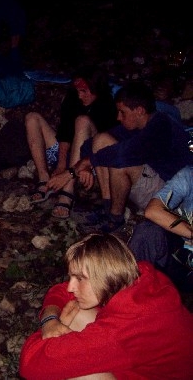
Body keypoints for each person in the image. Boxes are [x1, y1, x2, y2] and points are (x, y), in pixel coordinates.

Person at [19, 232, 193, 380]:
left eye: (80, 278)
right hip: (148, 366)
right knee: (76, 309)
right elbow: (61, 291)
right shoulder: (138, 276)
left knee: (82, 374)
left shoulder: (121, 330)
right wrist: (50, 319)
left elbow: (30, 364)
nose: (71, 287)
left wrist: (56, 328)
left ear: (105, 276)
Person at [71, 81, 193, 233]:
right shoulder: (137, 124)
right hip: (155, 183)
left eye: (122, 112)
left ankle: (115, 219)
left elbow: (125, 155)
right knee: (101, 139)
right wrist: (85, 164)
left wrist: (89, 162)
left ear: (139, 110)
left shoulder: (162, 125)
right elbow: (90, 144)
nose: (118, 117)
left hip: (173, 199)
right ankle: (108, 207)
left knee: (120, 162)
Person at [25, 66, 117, 219]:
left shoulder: (109, 106)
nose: (80, 95)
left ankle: (67, 192)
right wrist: (61, 164)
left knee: (82, 120)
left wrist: (81, 167)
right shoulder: (73, 97)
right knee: (32, 118)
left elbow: (106, 148)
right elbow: (65, 132)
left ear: (96, 89)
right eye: (78, 91)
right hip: (67, 152)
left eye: (84, 91)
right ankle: (44, 178)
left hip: (88, 160)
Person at [129, 164, 193, 290]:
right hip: (181, 249)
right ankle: (132, 289)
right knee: (147, 232)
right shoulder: (189, 175)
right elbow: (153, 210)